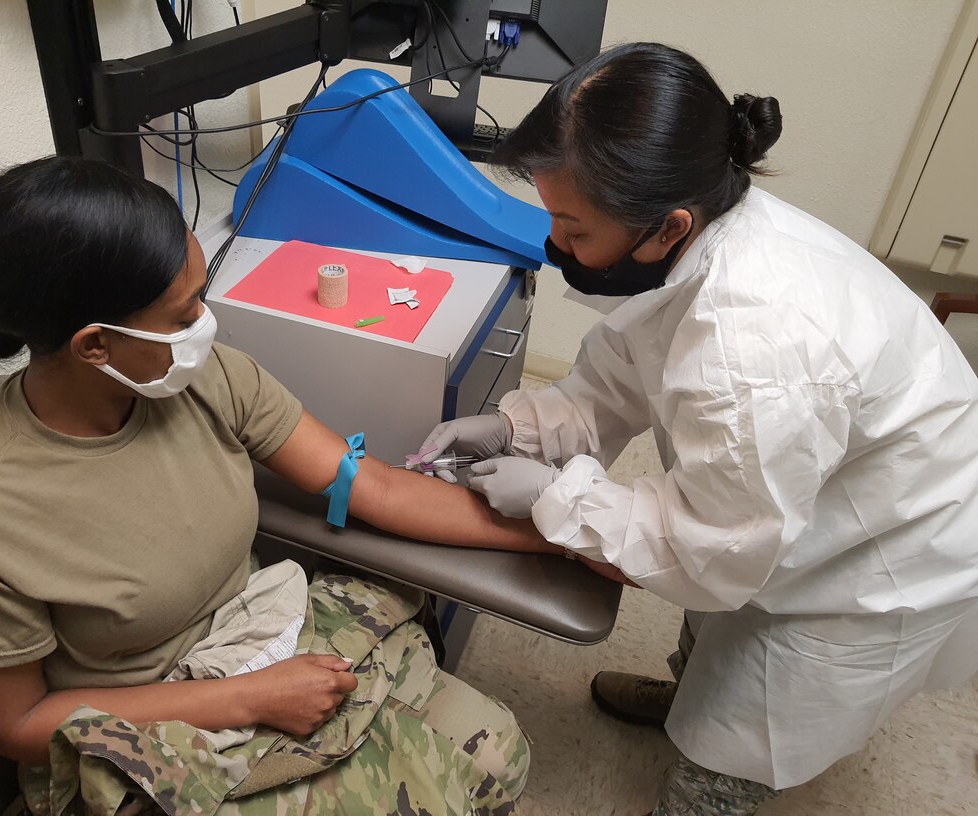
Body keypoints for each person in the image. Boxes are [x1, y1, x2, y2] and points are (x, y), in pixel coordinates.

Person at [417, 42, 978, 815]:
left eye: (574, 231)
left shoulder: (754, 347)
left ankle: (706, 777)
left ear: (665, 227)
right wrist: (517, 426)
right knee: (713, 632)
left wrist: (559, 496)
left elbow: (712, 547)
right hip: (816, 477)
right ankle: (686, 696)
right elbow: (620, 373)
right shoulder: (703, 233)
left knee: (743, 732)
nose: (558, 249)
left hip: (887, 548)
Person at [0, 156, 557, 815]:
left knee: (497, 754)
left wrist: (560, 533)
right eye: (183, 313)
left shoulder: (203, 377)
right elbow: (17, 726)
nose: (204, 325)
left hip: (260, 631)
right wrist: (249, 698)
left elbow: (373, 487)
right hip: (143, 730)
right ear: (95, 346)